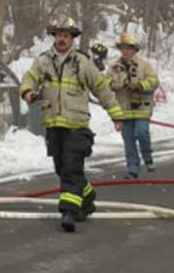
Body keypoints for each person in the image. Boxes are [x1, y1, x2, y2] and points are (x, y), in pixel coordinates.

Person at [20, 17, 125, 232]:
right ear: (53, 37)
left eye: (65, 35)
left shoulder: (82, 62)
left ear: (72, 38)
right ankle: (87, 197)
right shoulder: (43, 61)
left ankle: (68, 211)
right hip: (53, 125)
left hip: (76, 126)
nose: (61, 39)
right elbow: (29, 78)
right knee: (62, 168)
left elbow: (101, 88)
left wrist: (116, 115)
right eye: (58, 35)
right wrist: (28, 91)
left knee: (71, 166)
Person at [106, 32, 160, 179]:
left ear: (134, 49)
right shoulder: (114, 67)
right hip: (123, 110)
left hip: (142, 109)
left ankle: (147, 157)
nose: (125, 51)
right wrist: (118, 85)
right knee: (128, 140)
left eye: (128, 48)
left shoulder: (144, 66)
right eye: (123, 48)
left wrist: (140, 85)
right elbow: (105, 84)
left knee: (142, 133)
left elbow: (154, 81)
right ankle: (133, 169)